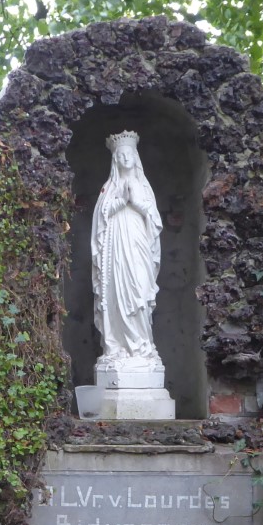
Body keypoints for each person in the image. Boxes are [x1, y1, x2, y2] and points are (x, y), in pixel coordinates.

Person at [92, 131, 164, 371]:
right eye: (121, 155)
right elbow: (100, 219)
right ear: (115, 159)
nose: (125, 158)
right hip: (116, 247)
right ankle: (117, 346)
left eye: (129, 154)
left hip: (138, 243)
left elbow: (154, 219)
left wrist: (137, 203)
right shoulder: (109, 188)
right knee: (116, 294)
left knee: (140, 292)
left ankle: (143, 346)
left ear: (135, 156)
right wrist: (121, 201)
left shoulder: (144, 186)